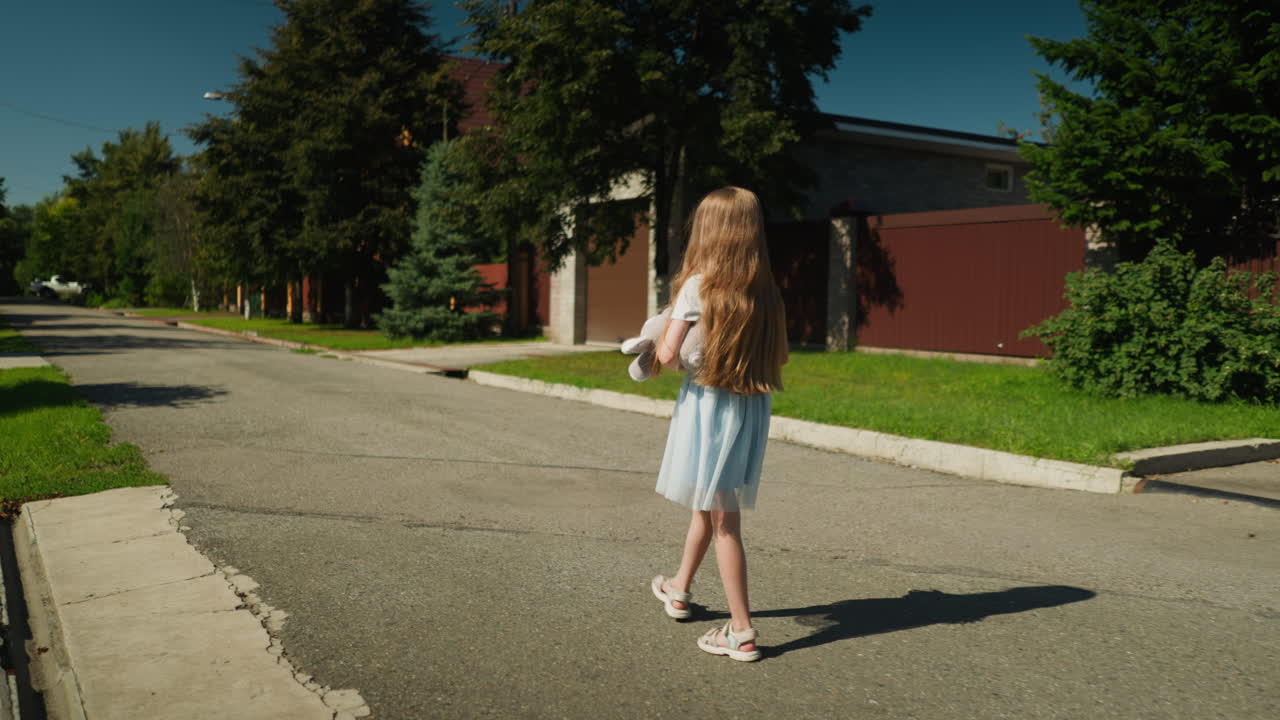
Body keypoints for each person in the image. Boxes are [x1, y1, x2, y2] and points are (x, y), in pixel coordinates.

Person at [648, 186, 788, 662]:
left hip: (707, 410)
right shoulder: (766, 291)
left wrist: (660, 333)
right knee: (707, 507)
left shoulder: (697, 286)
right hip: (748, 406)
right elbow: (780, 355)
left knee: (725, 522)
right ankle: (679, 589)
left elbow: (668, 356)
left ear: (706, 232)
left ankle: (742, 632)